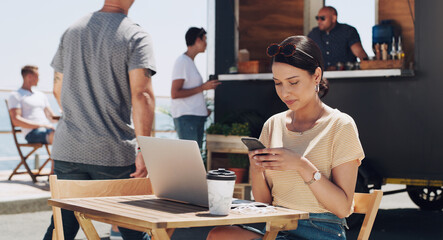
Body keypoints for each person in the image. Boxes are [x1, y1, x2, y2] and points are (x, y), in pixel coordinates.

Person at [206, 36, 364, 240]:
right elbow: (264, 202)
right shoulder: (273, 125)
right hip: (276, 225)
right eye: (278, 83)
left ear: (316, 76)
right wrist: (256, 169)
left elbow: (343, 208)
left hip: (319, 229)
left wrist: (301, 165)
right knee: (218, 236)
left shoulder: (340, 125)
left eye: (293, 82)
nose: (285, 92)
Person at [42, 0, 156, 239]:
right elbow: (142, 95)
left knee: (61, 229)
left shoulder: (72, 30)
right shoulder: (135, 35)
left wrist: (81, 117)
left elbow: (57, 87)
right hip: (112, 151)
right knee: (134, 228)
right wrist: (146, 148)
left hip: (68, 149)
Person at [170, 27, 221, 149]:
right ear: (198, 40)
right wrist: (203, 87)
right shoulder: (182, 61)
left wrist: (203, 109)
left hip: (195, 118)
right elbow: (175, 93)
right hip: (188, 119)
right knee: (190, 161)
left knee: (194, 159)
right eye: (205, 39)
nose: (206, 43)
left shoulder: (189, 62)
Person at [8, 65, 58, 144]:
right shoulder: (16, 95)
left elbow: (52, 117)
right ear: (29, 77)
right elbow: (16, 120)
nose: (39, 79)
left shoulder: (40, 95)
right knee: (60, 138)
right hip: (32, 133)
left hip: (48, 129)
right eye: (37, 76)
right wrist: (42, 125)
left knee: (70, 135)